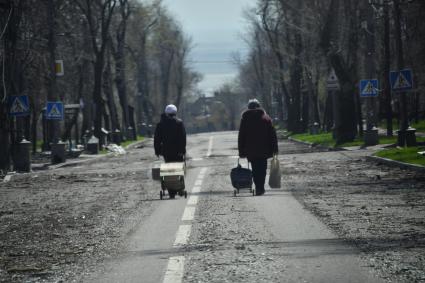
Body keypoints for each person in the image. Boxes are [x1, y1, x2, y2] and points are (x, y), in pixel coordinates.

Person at [238, 99, 278, 196]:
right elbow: (272, 134)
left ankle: (258, 187)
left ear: (249, 107)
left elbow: (241, 135)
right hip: (264, 149)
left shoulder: (245, 118)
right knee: (262, 169)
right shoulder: (265, 118)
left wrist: (241, 151)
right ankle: (261, 187)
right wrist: (275, 149)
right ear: (259, 106)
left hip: (250, 150)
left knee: (255, 168)